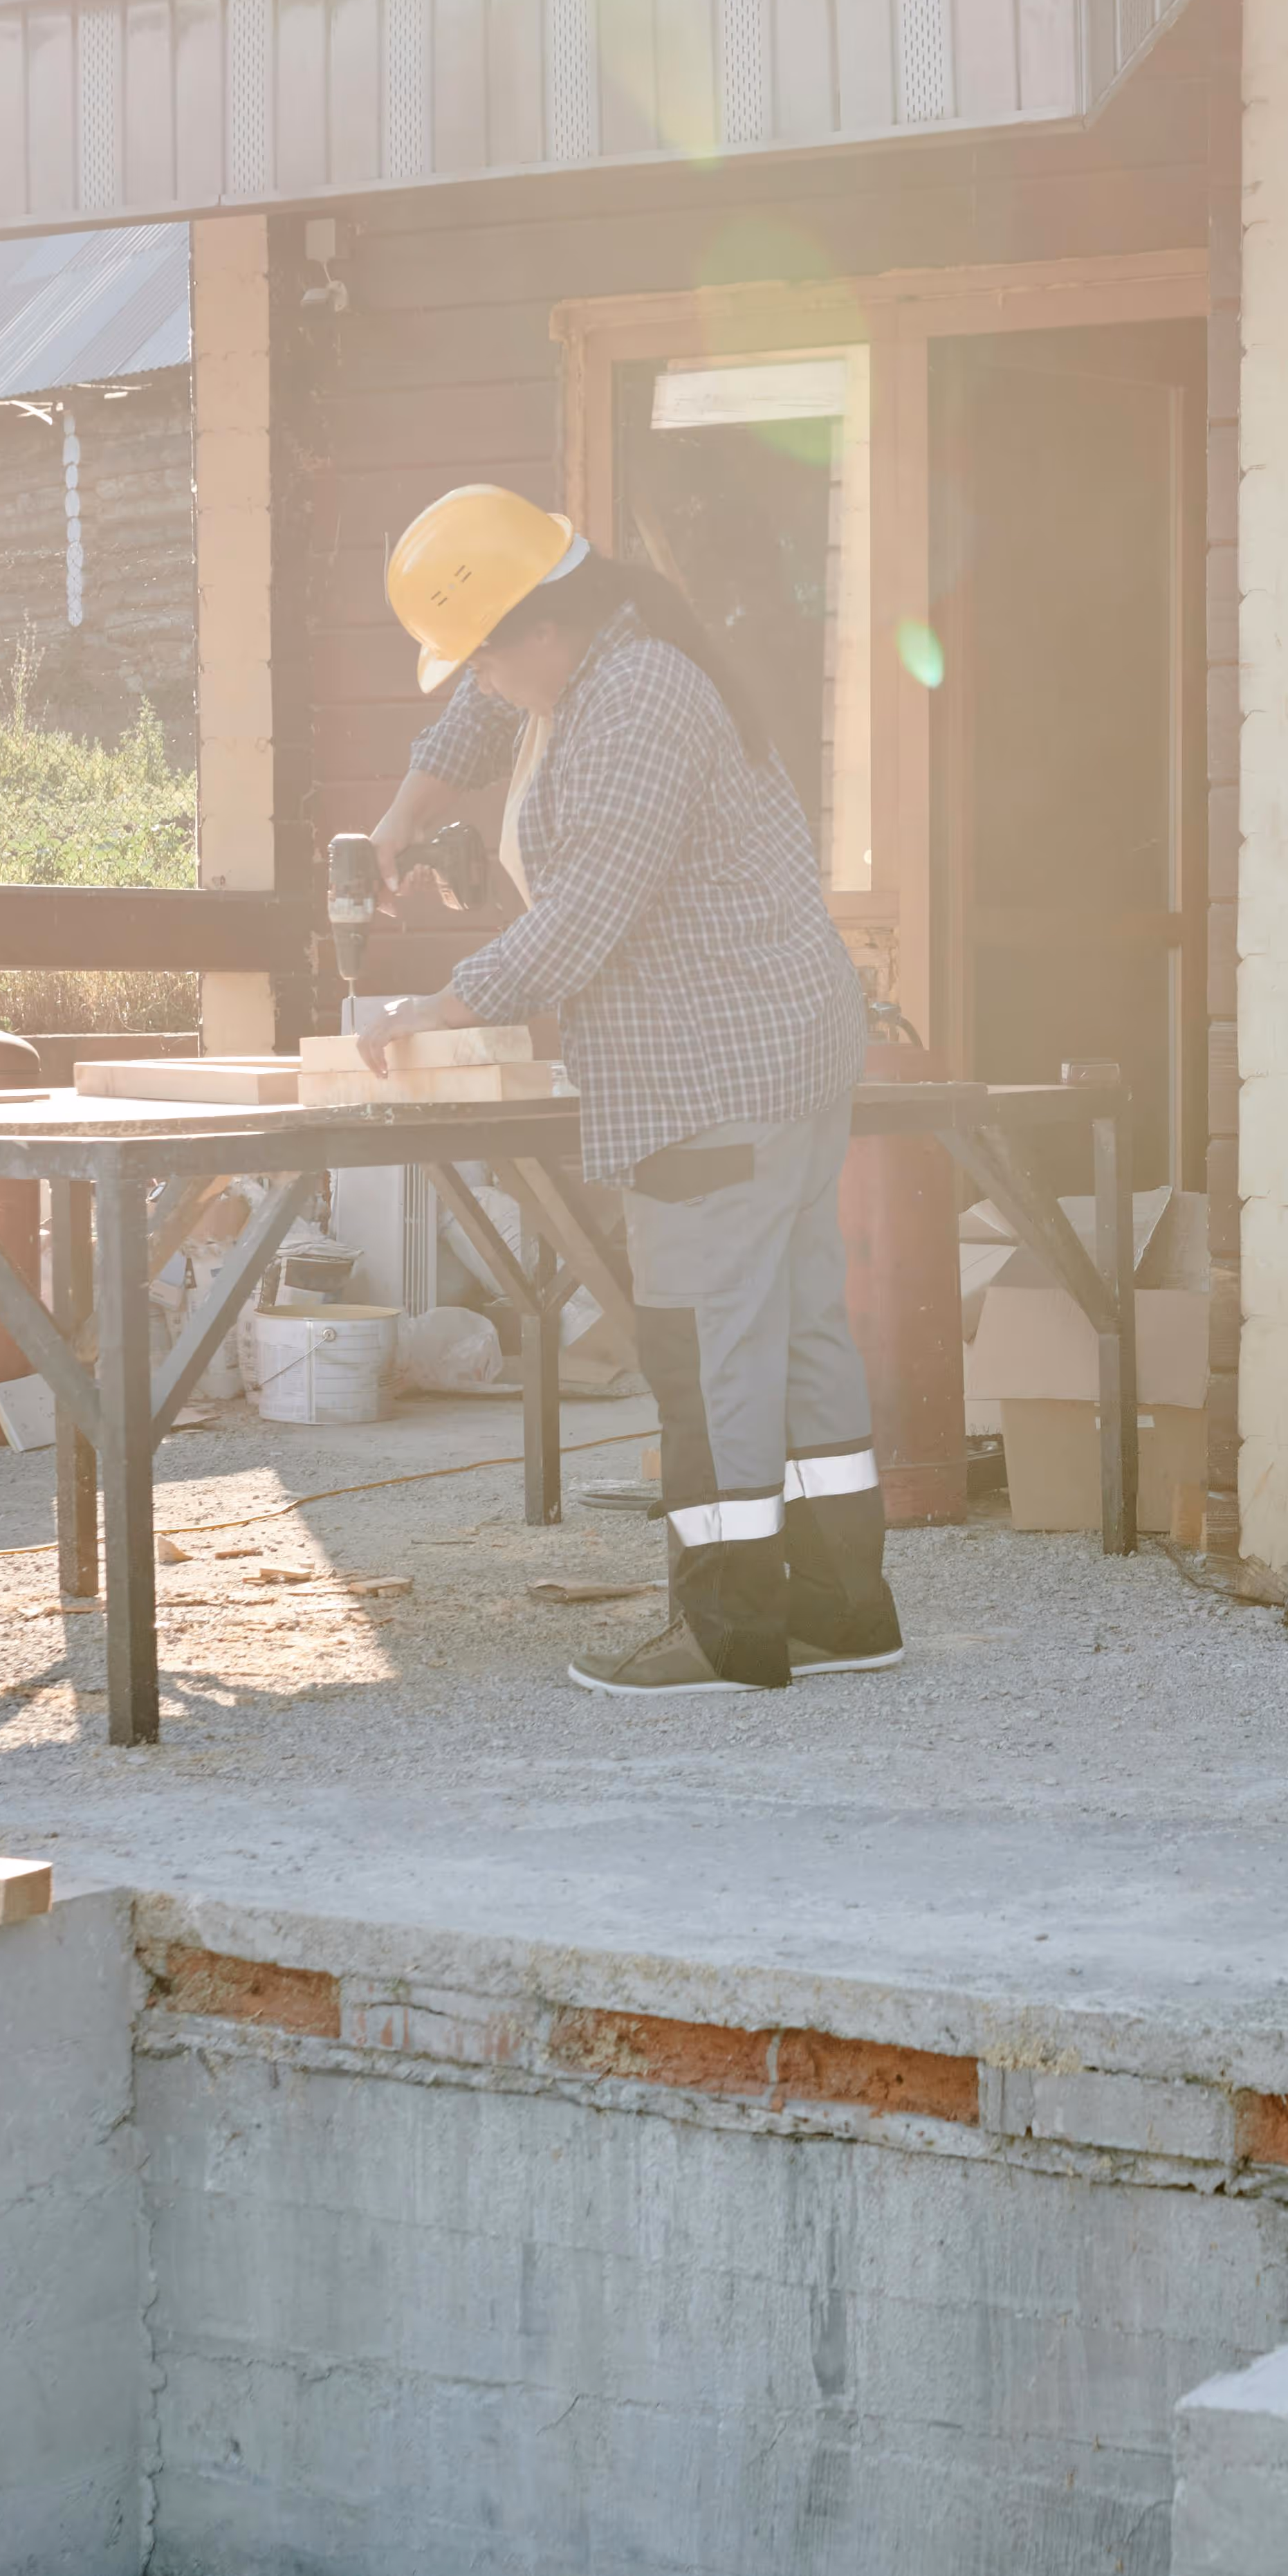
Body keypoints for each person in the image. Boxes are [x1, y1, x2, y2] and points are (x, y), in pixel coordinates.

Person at [355, 484, 898, 1696]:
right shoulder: (609, 655)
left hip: (714, 1069)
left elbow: (588, 911)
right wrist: (401, 820)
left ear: (537, 626)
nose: (482, 685)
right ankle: (843, 1607)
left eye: (485, 659)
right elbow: (482, 731)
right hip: (779, 1058)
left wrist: (430, 1008)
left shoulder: (635, 702)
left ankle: (728, 1629)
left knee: (707, 1344)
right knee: (798, 1327)